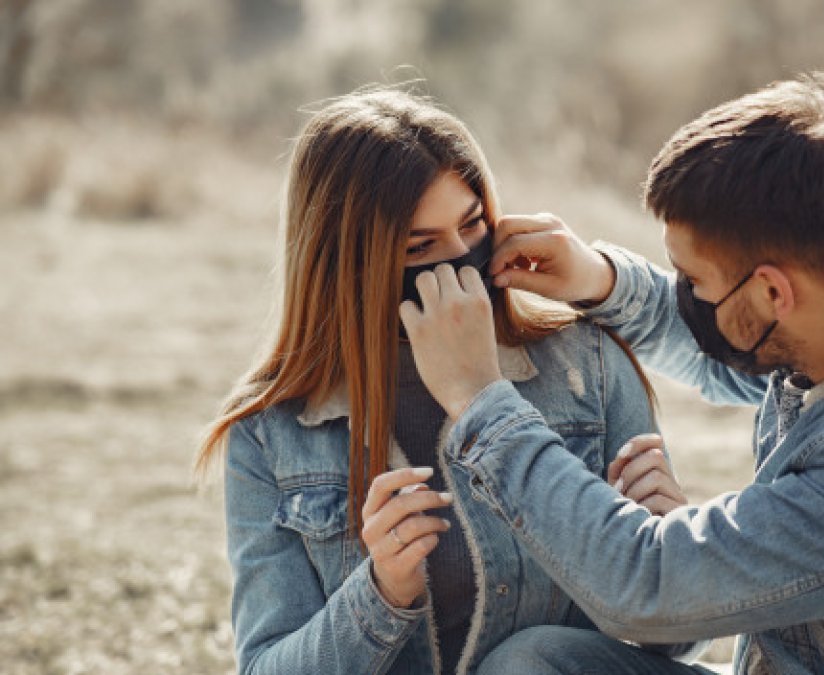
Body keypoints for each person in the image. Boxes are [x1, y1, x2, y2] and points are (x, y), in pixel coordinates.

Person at [398, 72, 824, 673]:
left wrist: (480, 396)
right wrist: (601, 280)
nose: (688, 299)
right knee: (539, 664)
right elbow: (742, 360)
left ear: (773, 292)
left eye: (694, 281)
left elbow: (644, 585)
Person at [195, 88, 706, 674]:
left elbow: (675, 644)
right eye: (420, 246)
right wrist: (382, 593)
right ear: (346, 262)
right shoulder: (271, 431)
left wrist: (670, 550)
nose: (462, 260)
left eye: (472, 226)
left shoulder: (584, 363)